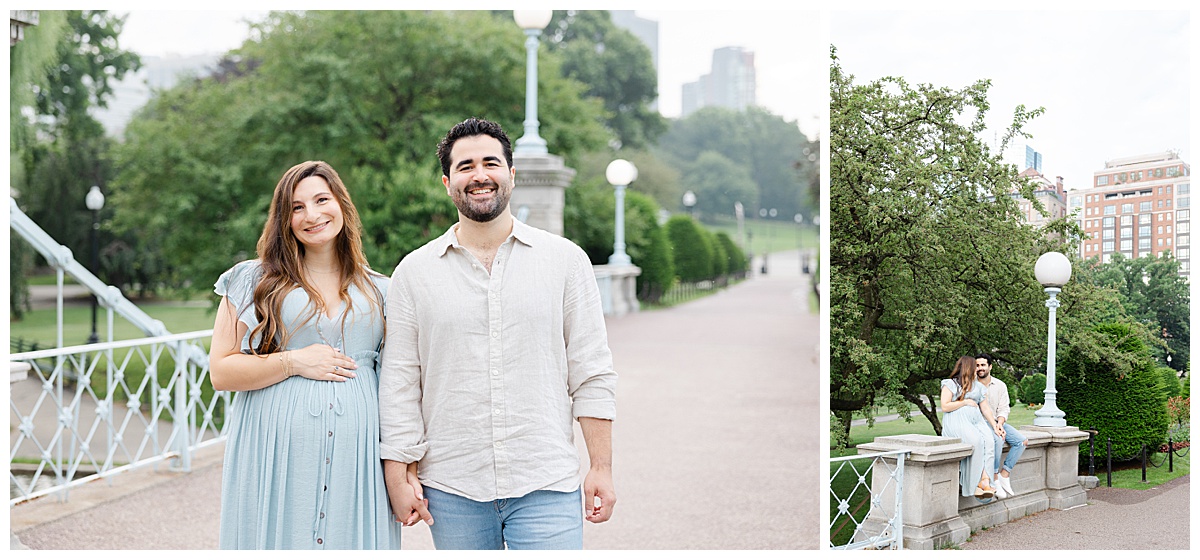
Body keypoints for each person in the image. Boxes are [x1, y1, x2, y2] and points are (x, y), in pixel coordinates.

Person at [378, 117, 617, 550]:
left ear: (512, 174)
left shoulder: (565, 261)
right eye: (466, 166)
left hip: (546, 481)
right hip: (452, 488)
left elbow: (592, 371)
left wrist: (601, 466)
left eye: (491, 163)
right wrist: (398, 475)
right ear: (447, 182)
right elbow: (399, 384)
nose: (480, 175)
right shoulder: (413, 273)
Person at [210, 161, 417, 549]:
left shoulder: (384, 291)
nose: (312, 215)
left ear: (342, 203)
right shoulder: (252, 281)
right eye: (297, 207)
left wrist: (404, 472)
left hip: (357, 466)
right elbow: (221, 371)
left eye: (322, 199)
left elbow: (400, 389)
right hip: (275, 457)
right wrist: (293, 362)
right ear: (284, 219)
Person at [940, 355, 1004, 499]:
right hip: (957, 422)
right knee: (977, 442)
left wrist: (995, 426)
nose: (978, 369)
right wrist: (964, 402)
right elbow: (945, 406)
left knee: (989, 441)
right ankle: (979, 482)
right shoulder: (950, 384)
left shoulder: (979, 387)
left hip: (976, 422)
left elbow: (986, 409)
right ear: (968, 367)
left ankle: (986, 481)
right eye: (975, 366)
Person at [975, 353, 1028, 499]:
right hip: (980, 424)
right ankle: (994, 478)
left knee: (1021, 441)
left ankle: (1004, 474)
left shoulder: (1000, 385)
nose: (980, 368)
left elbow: (1004, 408)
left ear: (990, 367)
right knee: (998, 440)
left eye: (983, 365)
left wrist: (999, 424)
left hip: (997, 422)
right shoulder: (971, 385)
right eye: (977, 365)